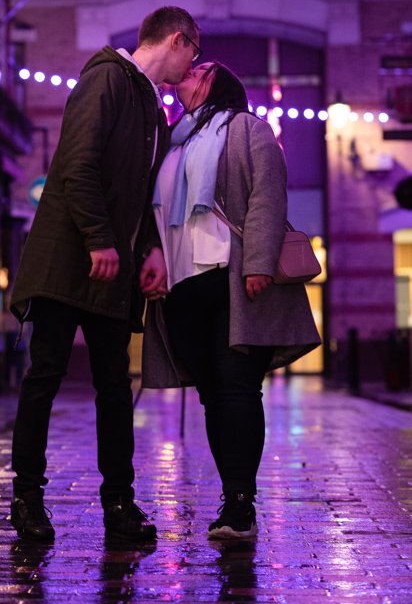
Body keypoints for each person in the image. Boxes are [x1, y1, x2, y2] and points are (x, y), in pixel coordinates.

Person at [9, 6, 201, 544]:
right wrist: (98, 238)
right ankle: (26, 499)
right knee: (44, 378)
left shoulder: (152, 109)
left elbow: (143, 198)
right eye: (194, 53)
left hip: (112, 271)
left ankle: (119, 504)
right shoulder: (104, 79)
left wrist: (150, 249)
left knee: (115, 387)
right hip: (65, 261)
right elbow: (76, 164)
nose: (192, 66)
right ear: (177, 40)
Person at [141, 61, 320, 540]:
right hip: (181, 284)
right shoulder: (171, 140)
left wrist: (259, 262)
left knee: (237, 388)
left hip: (233, 278)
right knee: (212, 396)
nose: (188, 70)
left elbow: (267, 196)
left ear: (214, 84)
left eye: (199, 68)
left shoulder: (246, 130)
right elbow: (152, 213)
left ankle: (240, 504)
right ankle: (232, 495)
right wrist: (151, 257)